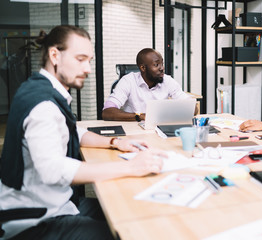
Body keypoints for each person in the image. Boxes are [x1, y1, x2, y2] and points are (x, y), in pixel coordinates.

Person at [0, 25, 165, 239]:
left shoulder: (40, 88)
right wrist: (131, 167)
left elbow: (73, 131)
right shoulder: (43, 105)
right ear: (54, 55)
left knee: (131, 209)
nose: (87, 68)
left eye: (90, 60)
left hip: (59, 203)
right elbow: (53, 169)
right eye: (80, 59)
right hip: (36, 219)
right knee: (130, 232)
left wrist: (115, 142)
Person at [102, 48, 192, 121]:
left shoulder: (167, 80)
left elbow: (192, 107)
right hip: (134, 130)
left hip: (159, 129)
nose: (162, 68)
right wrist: (140, 116)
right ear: (143, 68)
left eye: (162, 63)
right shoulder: (128, 81)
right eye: (156, 64)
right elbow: (107, 112)